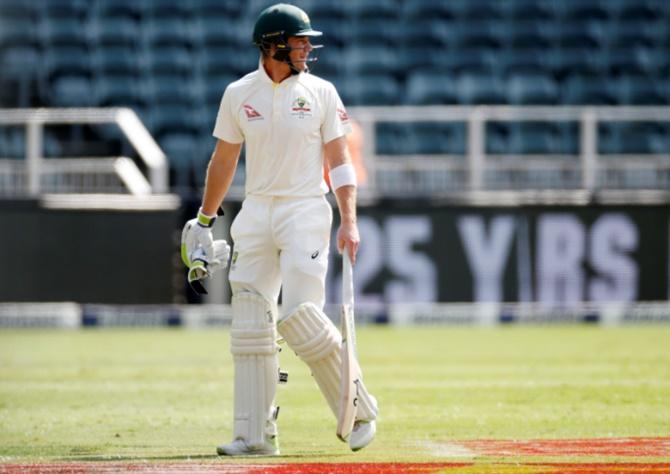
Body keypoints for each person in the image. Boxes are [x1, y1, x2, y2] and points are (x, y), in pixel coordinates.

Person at [181, 3, 378, 457]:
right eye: (300, 40)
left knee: (300, 317)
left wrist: (349, 220)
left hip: (305, 210)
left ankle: (360, 408)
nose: (308, 47)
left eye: (308, 40)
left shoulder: (323, 92)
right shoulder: (238, 93)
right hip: (256, 212)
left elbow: (341, 163)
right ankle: (254, 434)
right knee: (251, 319)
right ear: (274, 46)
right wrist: (205, 218)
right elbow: (224, 161)